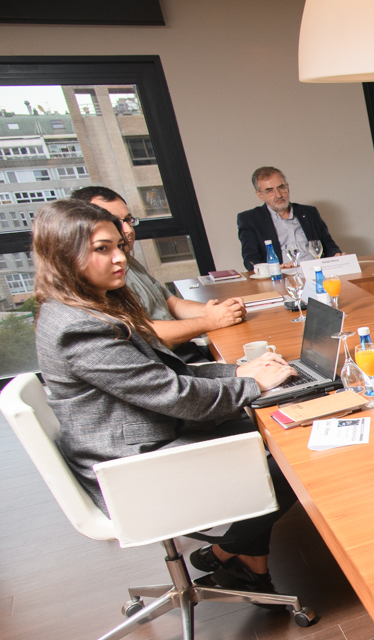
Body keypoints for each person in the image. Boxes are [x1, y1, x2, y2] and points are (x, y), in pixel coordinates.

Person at [32, 199, 300, 593]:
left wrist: (240, 371)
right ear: (63, 255)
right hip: (134, 470)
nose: (119, 257)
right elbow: (174, 395)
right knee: (294, 456)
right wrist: (252, 384)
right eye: (102, 249)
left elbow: (165, 375)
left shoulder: (83, 307)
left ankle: (245, 563)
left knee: (272, 428)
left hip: (138, 440)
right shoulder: (77, 327)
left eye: (118, 246)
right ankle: (229, 552)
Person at [72, 186, 245, 362]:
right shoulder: (101, 278)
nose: (128, 230)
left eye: (128, 220)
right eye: (115, 222)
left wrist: (222, 311)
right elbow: (147, 335)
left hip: (186, 350)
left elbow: (173, 304)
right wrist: (211, 321)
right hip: (170, 363)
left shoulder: (129, 260)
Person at [236, 167, 342, 270]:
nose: (278, 195)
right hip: (281, 277)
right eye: (270, 191)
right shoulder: (249, 219)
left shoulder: (309, 212)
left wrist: (336, 255)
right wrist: (274, 268)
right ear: (260, 195)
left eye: (281, 188)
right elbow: (250, 260)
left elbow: (329, 245)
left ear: (288, 187)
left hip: (317, 271)